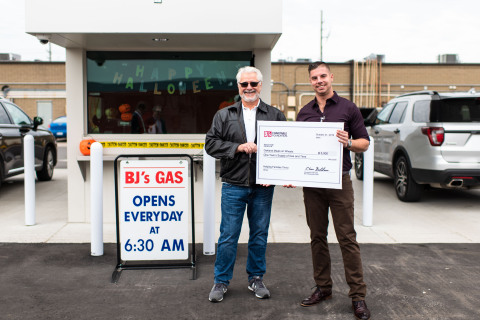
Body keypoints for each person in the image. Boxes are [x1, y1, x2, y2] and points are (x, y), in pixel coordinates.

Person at [296, 62, 371, 320]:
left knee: (346, 238)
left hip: (339, 182)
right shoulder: (304, 112)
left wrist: (348, 142)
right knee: (317, 237)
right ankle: (323, 288)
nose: (319, 81)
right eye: (314, 77)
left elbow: (365, 143)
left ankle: (358, 297)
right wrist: (291, 172)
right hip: (313, 185)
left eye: (323, 76)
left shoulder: (348, 108)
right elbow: (298, 150)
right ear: (311, 81)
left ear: (331, 77)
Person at [205, 66, 286, 302]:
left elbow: (286, 149)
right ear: (238, 86)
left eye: (253, 84)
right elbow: (210, 144)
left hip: (263, 186)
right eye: (244, 84)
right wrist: (237, 148)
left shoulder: (275, 114)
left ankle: (256, 279)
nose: (249, 88)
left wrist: (286, 176)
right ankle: (220, 281)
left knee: (259, 235)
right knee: (229, 235)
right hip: (233, 184)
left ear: (261, 85)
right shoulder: (224, 114)